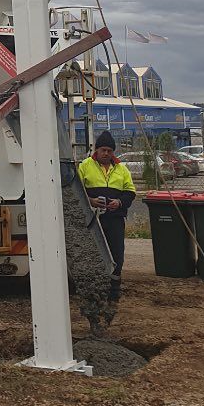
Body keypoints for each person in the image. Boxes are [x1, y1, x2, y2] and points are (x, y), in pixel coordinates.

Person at [78, 130, 136, 319]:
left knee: (116, 254)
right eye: (103, 150)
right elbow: (76, 191)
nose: (106, 154)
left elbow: (130, 191)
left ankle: (113, 293)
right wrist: (91, 200)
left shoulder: (121, 169)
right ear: (97, 150)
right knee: (92, 255)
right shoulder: (85, 166)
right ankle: (92, 294)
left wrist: (119, 202)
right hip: (93, 220)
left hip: (114, 219)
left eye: (110, 151)